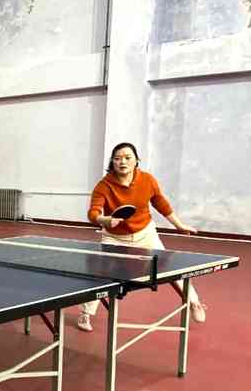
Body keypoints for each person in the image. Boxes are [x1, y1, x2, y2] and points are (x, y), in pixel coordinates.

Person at [77, 141, 206, 332]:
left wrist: (179, 225)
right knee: (101, 273)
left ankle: (194, 302)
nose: (122, 162)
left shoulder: (147, 180)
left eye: (127, 157)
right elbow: (93, 212)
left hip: (145, 233)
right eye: (117, 158)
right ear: (112, 162)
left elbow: (161, 203)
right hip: (115, 237)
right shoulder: (104, 185)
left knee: (169, 266)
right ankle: (86, 313)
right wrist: (105, 220)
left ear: (136, 160)